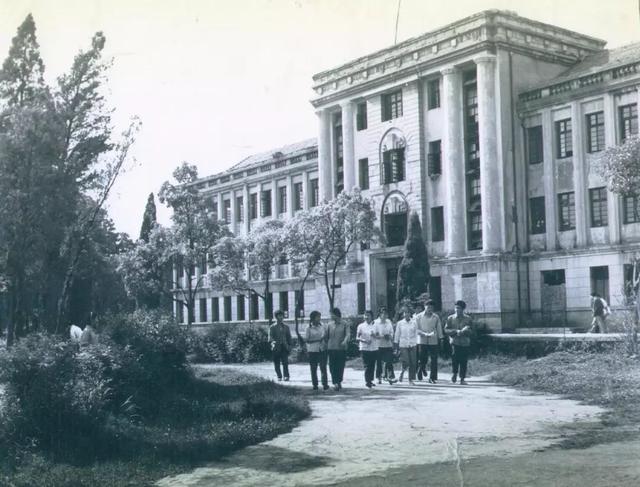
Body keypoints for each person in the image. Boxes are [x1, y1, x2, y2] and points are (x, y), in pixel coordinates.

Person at [444, 300, 473, 385]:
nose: (457, 310)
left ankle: (462, 378)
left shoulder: (468, 319)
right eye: (456, 308)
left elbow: (472, 331)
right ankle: (454, 374)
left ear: (463, 309)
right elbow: (446, 330)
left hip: (465, 343)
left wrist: (464, 331)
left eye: (459, 308)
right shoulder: (450, 318)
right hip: (455, 342)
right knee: (455, 360)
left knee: (464, 361)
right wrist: (456, 331)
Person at [416, 300, 443, 383]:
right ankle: (421, 368)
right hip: (422, 340)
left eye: (431, 307)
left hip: (433, 340)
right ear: (425, 307)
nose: (429, 309)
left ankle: (433, 377)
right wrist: (424, 334)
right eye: (428, 307)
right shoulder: (419, 316)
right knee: (422, 358)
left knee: (434, 359)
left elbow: (439, 328)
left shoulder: (436, 317)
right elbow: (416, 329)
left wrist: (441, 338)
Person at [326, 308, 350, 391]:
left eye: (332, 314)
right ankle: (335, 382)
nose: (331, 316)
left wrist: (345, 341)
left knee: (340, 366)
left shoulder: (344, 324)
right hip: (331, 348)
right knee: (332, 366)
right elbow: (326, 336)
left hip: (341, 348)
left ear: (336, 314)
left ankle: (338, 381)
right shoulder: (329, 324)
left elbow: (348, 334)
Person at [305, 310, 329, 391]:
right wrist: (318, 339)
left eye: (320, 317)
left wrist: (325, 339)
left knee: (323, 367)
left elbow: (326, 336)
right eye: (317, 317)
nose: (319, 318)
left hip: (322, 349)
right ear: (313, 318)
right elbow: (307, 340)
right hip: (312, 350)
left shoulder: (322, 326)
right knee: (313, 368)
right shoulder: (308, 328)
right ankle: (315, 384)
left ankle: (325, 384)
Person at [394, 305, 418, 385]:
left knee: (413, 362)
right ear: (403, 314)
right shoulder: (400, 323)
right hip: (403, 345)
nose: (406, 314)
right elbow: (397, 334)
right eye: (405, 313)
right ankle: (402, 372)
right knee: (406, 361)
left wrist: (415, 343)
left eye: (408, 312)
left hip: (412, 344)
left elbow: (416, 334)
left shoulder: (414, 323)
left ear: (410, 314)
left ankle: (410, 379)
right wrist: (396, 345)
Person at [356, 310, 379, 389]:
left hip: (374, 347)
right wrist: (364, 340)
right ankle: (367, 381)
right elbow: (357, 337)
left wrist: (374, 335)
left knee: (372, 364)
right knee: (367, 365)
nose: (366, 317)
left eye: (368, 315)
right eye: (365, 315)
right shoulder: (361, 326)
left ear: (372, 316)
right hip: (364, 348)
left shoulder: (375, 326)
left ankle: (370, 380)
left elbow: (379, 337)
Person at [268, 310, 292, 381]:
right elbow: (270, 337)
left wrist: (289, 345)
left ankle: (286, 376)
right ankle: (279, 376)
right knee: (277, 362)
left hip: (284, 346)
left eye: (282, 316)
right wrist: (273, 343)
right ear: (276, 317)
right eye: (279, 316)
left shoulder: (286, 327)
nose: (281, 317)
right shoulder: (272, 327)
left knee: (285, 362)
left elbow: (289, 337)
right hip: (276, 347)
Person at [374, 307, 396, 385]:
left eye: (386, 314)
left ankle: (390, 377)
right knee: (379, 362)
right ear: (380, 314)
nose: (384, 315)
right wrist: (383, 336)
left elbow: (392, 332)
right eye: (383, 313)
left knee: (389, 361)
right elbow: (375, 334)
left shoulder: (389, 321)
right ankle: (379, 377)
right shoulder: (376, 322)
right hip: (378, 345)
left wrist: (389, 336)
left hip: (388, 345)